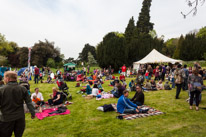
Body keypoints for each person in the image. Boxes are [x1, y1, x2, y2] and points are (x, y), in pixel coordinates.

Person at [0, 71, 35, 137]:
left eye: (4, 77)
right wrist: (32, 112)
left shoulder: (2, 90)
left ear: (8, 78)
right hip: (20, 118)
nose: (3, 79)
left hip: (6, 119)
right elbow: (29, 102)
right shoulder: (23, 89)